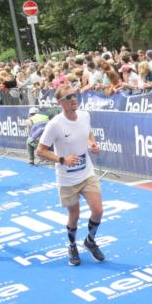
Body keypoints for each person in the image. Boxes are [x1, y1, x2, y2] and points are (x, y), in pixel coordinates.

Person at [36, 84, 106, 266]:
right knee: (74, 214)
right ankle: (72, 245)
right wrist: (62, 159)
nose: (73, 100)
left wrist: (92, 144)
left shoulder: (85, 116)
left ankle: (90, 241)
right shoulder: (55, 124)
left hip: (86, 172)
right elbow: (40, 151)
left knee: (98, 210)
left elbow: (88, 133)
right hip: (67, 178)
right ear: (60, 103)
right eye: (68, 98)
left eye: (74, 96)